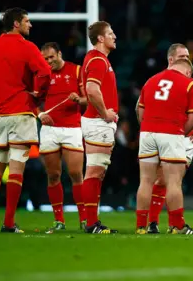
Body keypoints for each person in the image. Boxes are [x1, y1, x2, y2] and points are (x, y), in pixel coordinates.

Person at [0, 7, 51, 233]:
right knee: (16, 169)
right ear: (16, 24)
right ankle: (8, 223)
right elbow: (45, 74)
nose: (30, 25)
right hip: (21, 113)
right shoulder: (27, 47)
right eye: (27, 21)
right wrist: (38, 96)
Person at [144, 43, 193, 234]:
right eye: (182, 56)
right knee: (163, 179)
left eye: (187, 56)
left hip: (185, 138)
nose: (186, 59)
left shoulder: (192, 84)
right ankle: (164, 223)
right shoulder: (159, 82)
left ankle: (161, 224)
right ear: (171, 60)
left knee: (168, 180)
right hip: (170, 135)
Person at [38, 42, 88, 231]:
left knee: (76, 173)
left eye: (52, 57)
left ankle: (84, 219)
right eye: (45, 59)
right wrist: (40, 114)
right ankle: (59, 220)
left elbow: (87, 100)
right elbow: (32, 100)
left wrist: (79, 99)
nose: (49, 61)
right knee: (53, 175)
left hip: (72, 128)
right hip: (50, 130)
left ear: (59, 54)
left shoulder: (76, 70)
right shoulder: (42, 74)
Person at [80, 21, 119, 234]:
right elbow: (92, 90)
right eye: (110, 33)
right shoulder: (97, 59)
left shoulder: (97, 59)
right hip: (97, 122)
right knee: (94, 172)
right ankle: (91, 222)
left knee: (97, 172)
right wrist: (105, 114)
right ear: (101, 38)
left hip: (96, 122)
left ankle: (92, 221)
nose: (115, 36)